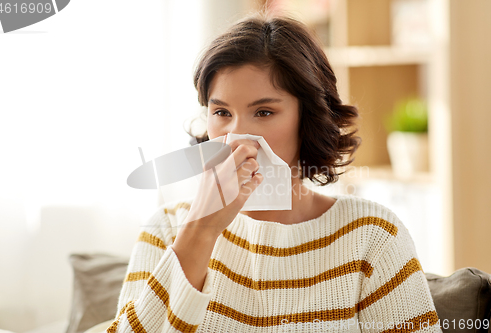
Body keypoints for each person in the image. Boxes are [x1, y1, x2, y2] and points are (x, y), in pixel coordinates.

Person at [107, 12, 442, 333]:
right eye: (221, 112)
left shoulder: (372, 235)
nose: (236, 137)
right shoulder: (166, 230)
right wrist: (201, 228)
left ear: (307, 118)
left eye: (263, 112)